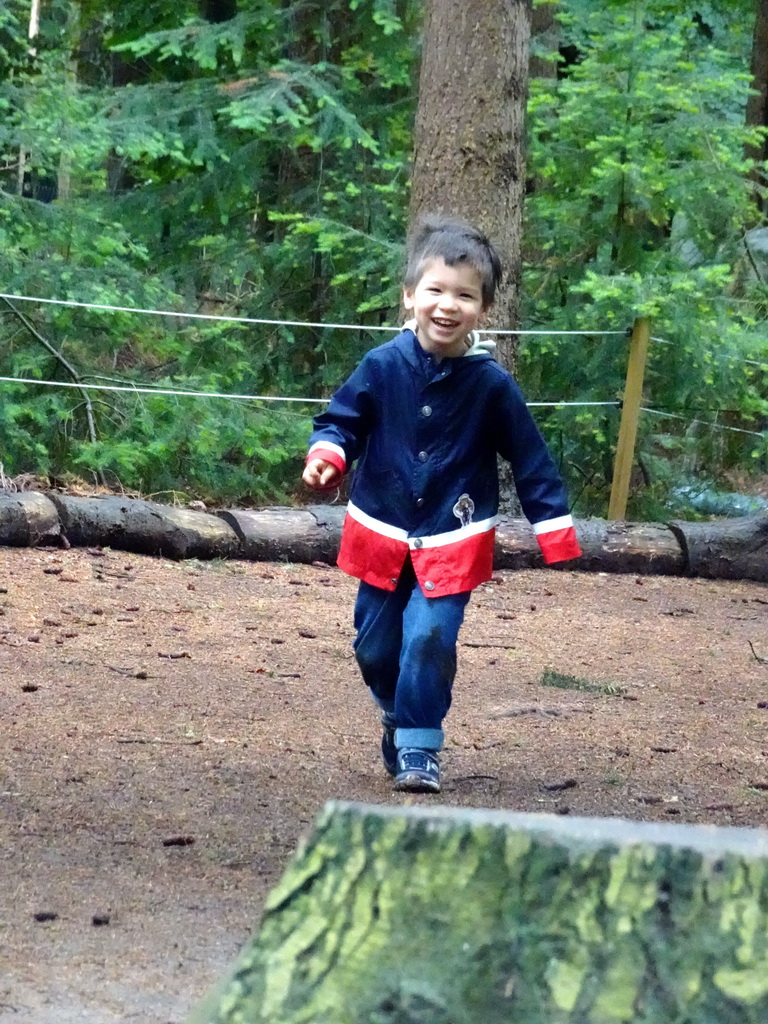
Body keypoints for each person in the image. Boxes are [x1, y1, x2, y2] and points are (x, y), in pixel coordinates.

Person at [302, 214, 581, 793]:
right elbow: (341, 420)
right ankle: (394, 711)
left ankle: (419, 745)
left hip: (452, 539)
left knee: (430, 638)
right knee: (374, 645)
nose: (447, 305)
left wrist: (553, 529)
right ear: (409, 297)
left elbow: (531, 460)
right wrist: (329, 453)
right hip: (381, 529)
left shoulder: (492, 385)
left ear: (483, 308)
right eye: (434, 290)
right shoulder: (380, 366)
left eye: (465, 295)